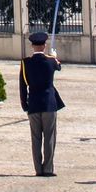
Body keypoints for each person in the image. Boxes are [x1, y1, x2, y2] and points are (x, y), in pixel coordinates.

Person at [20, 29, 65, 177]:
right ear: (44, 45)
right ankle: (48, 168)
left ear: (32, 46)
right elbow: (59, 67)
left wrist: (25, 105)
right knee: (49, 137)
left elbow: (22, 86)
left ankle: (38, 169)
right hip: (49, 104)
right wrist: (54, 57)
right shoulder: (50, 61)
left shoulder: (25, 63)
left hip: (33, 103)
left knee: (36, 138)